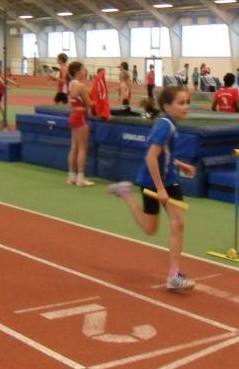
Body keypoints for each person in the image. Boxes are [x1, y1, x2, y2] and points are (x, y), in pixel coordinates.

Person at [107, 86, 197, 291]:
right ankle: (125, 193)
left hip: (170, 180)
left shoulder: (172, 124)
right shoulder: (165, 126)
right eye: (181, 103)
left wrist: (180, 165)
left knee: (178, 223)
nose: (186, 107)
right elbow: (151, 157)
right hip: (152, 182)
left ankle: (174, 275)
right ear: (167, 106)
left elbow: (165, 155)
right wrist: (160, 189)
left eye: (187, 103)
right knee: (150, 229)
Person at [66, 62, 95, 187]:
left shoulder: (71, 84)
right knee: (82, 148)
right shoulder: (80, 85)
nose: (86, 72)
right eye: (84, 70)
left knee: (74, 147)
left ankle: (71, 176)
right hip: (81, 117)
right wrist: (99, 102)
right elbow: (90, 104)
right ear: (77, 72)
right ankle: (81, 178)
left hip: (73, 115)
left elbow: (71, 102)